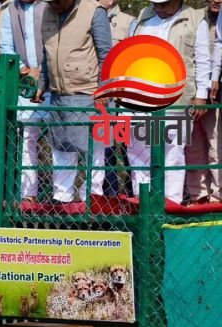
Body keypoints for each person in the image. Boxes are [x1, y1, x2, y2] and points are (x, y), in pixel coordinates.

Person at [126, 0, 210, 204]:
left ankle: (171, 203)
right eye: (155, 4)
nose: (159, 8)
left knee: (173, 150)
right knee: (139, 148)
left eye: (163, 4)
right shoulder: (143, 17)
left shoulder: (195, 19)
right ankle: (142, 201)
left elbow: (202, 59)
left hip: (177, 97)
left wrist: (201, 94)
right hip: (141, 97)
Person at [34, 0, 112, 204]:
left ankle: (92, 198)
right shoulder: (48, 12)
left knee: (94, 149)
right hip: (58, 94)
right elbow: (47, 55)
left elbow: (106, 55)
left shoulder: (94, 11)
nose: (53, 5)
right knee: (61, 148)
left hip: (89, 92)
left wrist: (104, 89)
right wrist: (42, 84)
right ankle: (62, 198)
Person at [0, 0, 51, 202]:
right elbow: (6, 46)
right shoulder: (11, 10)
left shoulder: (50, 5)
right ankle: (29, 194)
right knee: (27, 138)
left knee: (58, 138)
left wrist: (42, 71)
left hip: (53, 83)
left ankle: (62, 195)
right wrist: (23, 69)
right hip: (25, 84)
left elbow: (58, 41)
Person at [100, 0, 138, 196]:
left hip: (124, 96)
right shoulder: (88, 18)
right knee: (104, 147)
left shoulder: (130, 21)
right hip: (101, 96)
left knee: (128, 146)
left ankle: (134, 194)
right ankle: (108, 197)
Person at [187, 0, 222, 203]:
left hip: (216, 93)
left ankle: (218, 196)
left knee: (216, 143)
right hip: (192, 91)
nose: (217, 0)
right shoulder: (194, 17)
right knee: (192, 144)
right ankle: (197, 195)